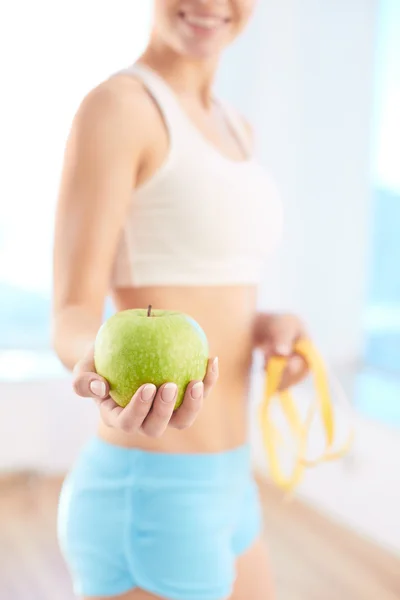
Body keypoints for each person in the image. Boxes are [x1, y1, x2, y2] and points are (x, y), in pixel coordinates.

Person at [53, 2, 309, 599]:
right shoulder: (119, 108)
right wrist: (97, 370)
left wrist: (268, 329)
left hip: (230, 478)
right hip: (153, 491)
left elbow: (209, 286)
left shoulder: (237, 125)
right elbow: (70, 311)